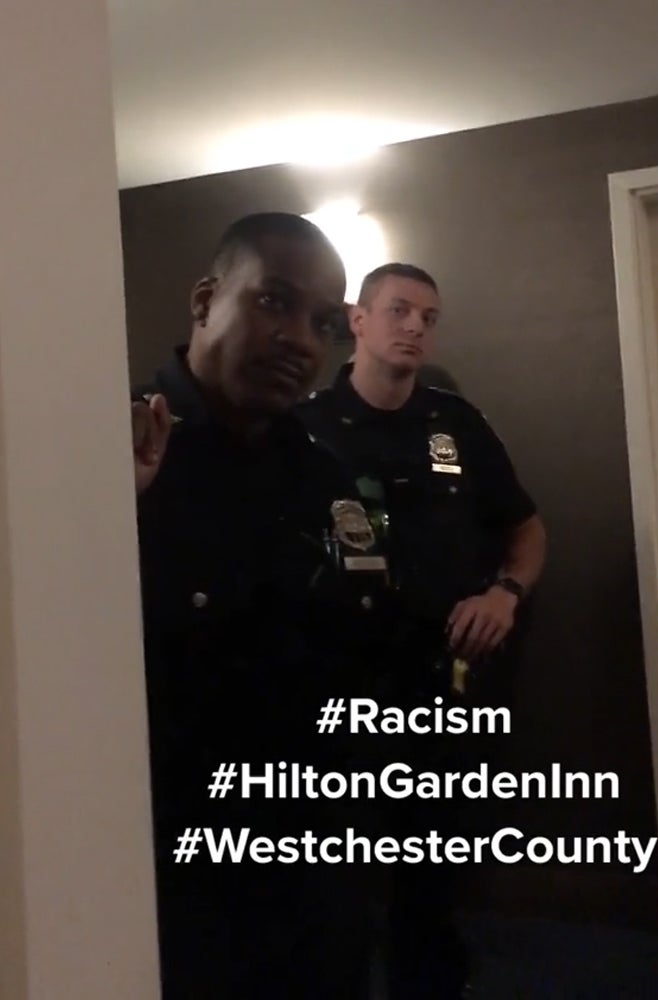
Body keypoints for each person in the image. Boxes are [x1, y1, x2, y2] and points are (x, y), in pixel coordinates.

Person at [132, 212, 392, 998]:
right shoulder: (121, 449)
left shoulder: (323, 474)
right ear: (205, 299)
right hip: (173, 873)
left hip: (315, 860)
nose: (301, 342)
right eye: (274, 302)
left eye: (322, 323)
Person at [296, 261, 546, 999]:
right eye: (399, 310)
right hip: (338, 684)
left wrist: (505, 593)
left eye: (428, 318)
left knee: (434, 869)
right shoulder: (305, 427)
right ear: (358, 319)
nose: (415, 327)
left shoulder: (455, 423)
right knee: (330, 879)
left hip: (443, 680)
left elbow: (527, 529)